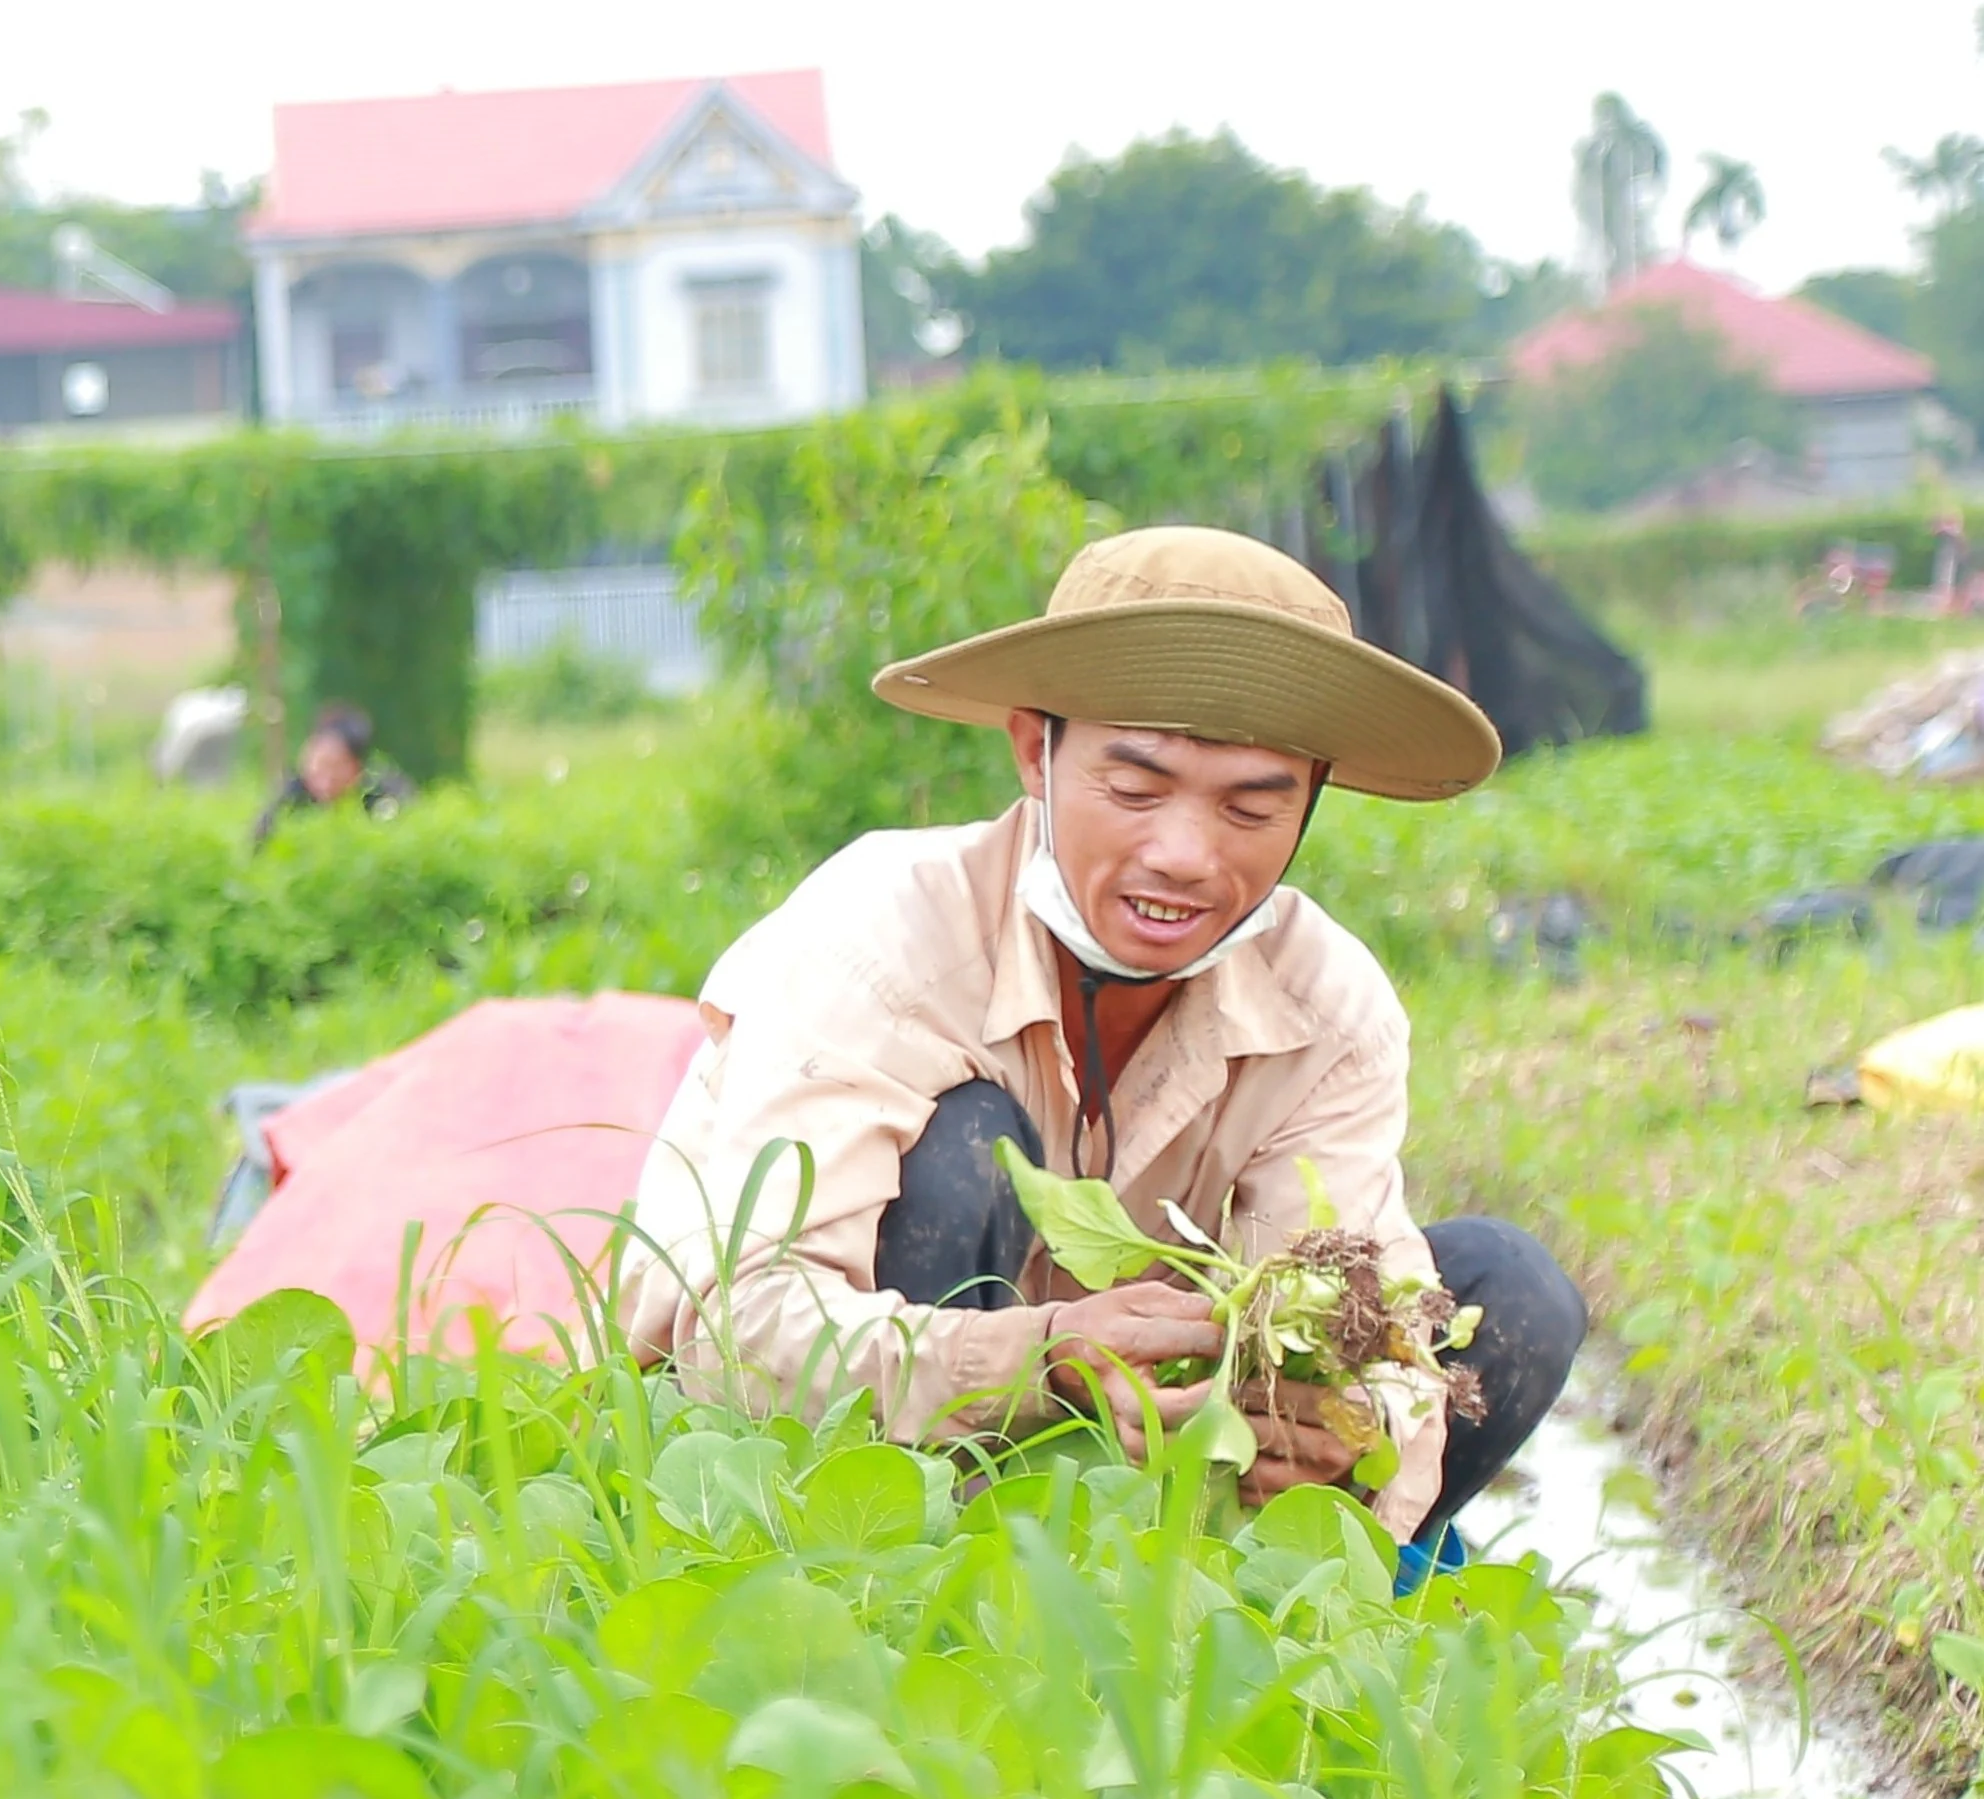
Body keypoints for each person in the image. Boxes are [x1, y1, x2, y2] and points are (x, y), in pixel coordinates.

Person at [614, 526, 1584, 1573]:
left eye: (1252, 806)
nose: (1183, 855)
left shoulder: (1327, 1002)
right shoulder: (879, 934)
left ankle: (1287, 1621)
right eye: (1134, 789)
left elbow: (1348, 1278)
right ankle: (903, 1594)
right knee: (967, 1145)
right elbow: (739, 1332)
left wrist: (1343, 1433)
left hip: (1156, 1470)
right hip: (861, 1461)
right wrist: (1039, 1359)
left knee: (1504, 1291)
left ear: (1311, 795)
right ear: (1035, 749)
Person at [246, 702, 410, 847]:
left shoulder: (381, 794)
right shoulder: (290, 800)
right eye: (320, 764)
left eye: (336, 767)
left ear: (357, 768)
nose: (326, 779)